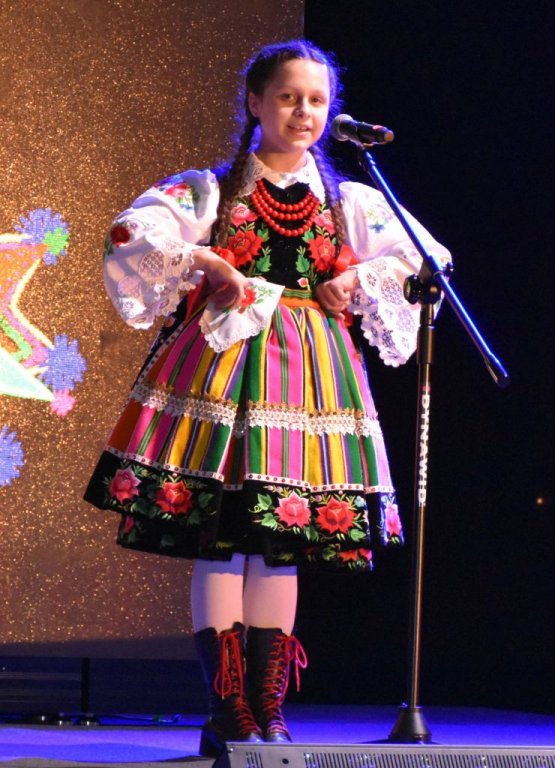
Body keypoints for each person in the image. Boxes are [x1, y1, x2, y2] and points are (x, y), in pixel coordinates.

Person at [84, 39, 450, 756]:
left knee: (281, 541)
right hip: (224, 370)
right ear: (255, 103)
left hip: (311, 380)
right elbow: (132, 233)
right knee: (222, 536)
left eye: (316, 100)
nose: (303, 112)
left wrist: (359, 280)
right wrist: (203, 258)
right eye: (287, 97)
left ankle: (267, 706)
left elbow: (426, 257)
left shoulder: (349, 201)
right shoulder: (212, 190)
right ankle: (227, 709)